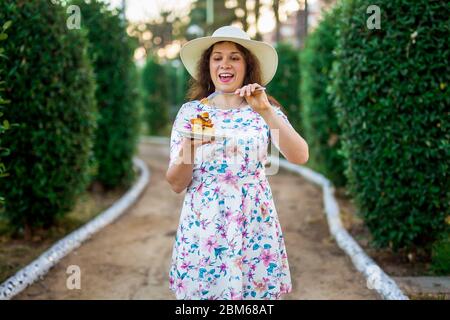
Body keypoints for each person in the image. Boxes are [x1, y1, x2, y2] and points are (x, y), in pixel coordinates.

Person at [166, 25, 309, 300]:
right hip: (205, 224)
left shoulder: (264, 109)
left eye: (234, 57)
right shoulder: (192, 112)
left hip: (254, 220)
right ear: (208, 65)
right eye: (217, 57)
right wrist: (189, 148)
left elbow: (300, 156)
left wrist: (266, 111)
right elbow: (175, 183)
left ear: (247, 66)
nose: (225, 64)